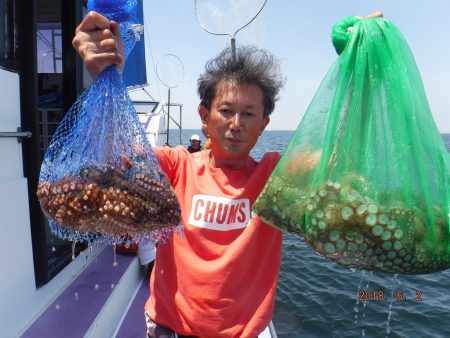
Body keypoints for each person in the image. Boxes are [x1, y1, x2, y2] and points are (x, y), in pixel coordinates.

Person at [73, 10, 381, 337]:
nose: (236, 124)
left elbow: (342, 158)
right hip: (169, 329)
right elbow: (111, 156)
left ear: (263, 124)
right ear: (205, 118)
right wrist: (106, 77)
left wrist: (359, 76)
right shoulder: (178, 166)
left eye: (249, 114)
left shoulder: (274, 176)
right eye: (226, 111)